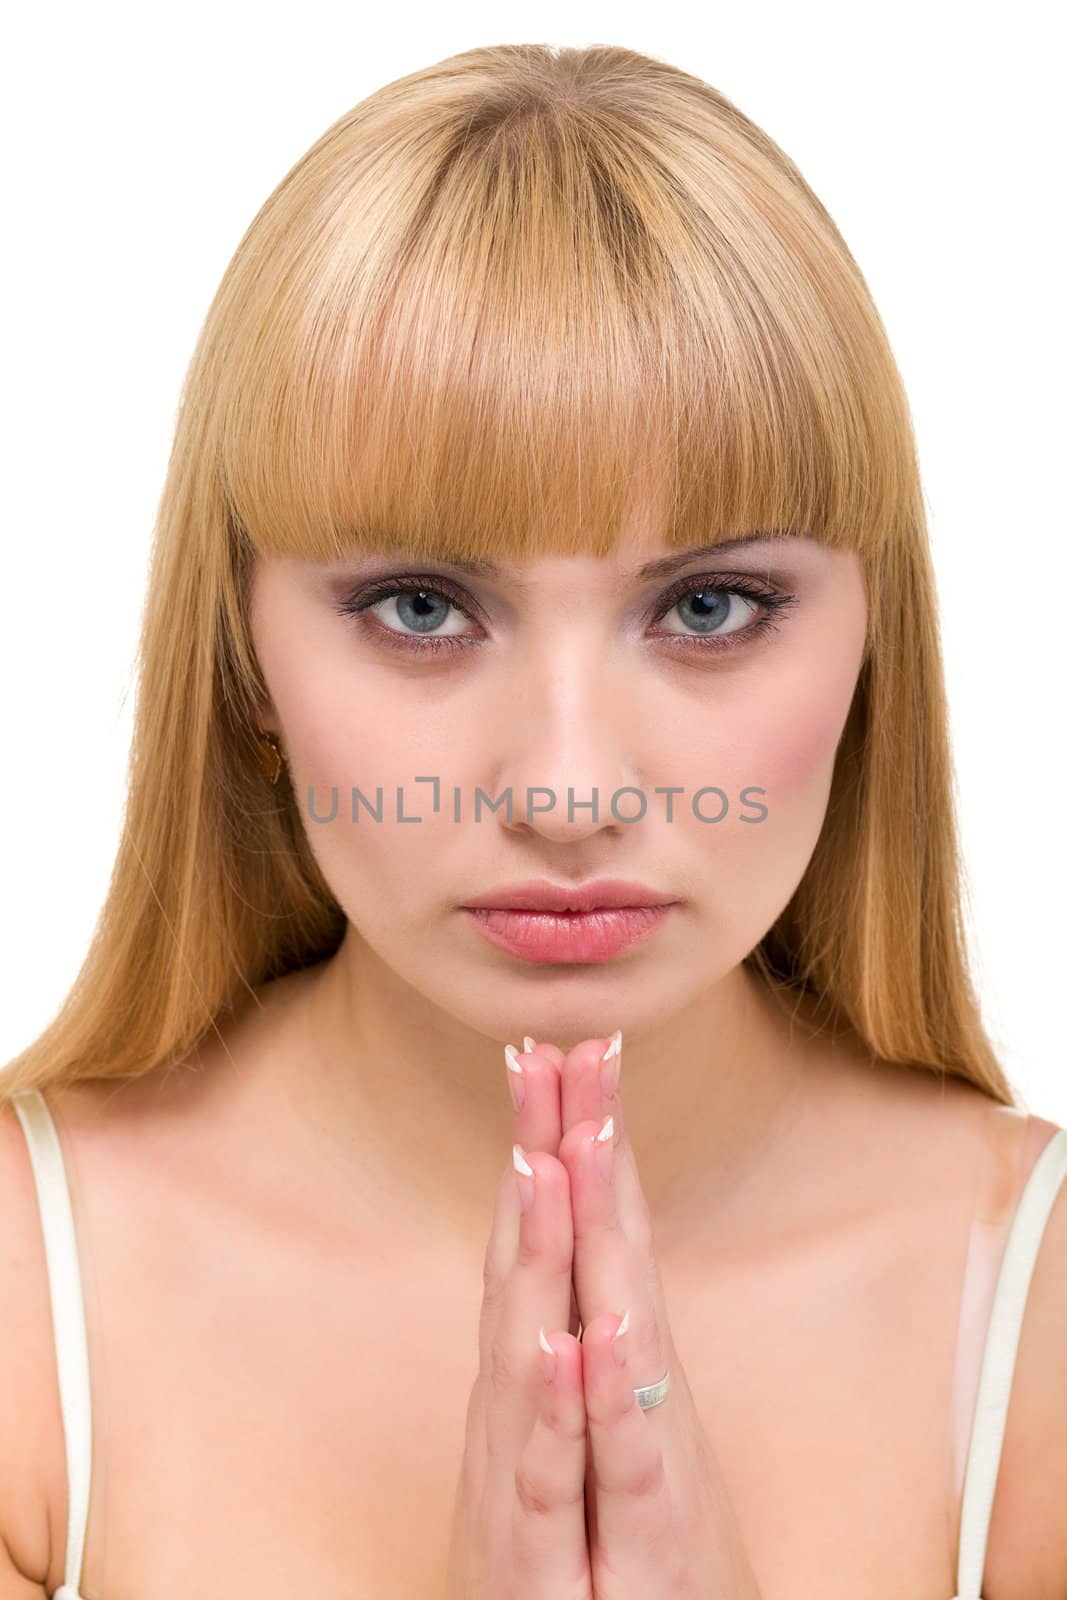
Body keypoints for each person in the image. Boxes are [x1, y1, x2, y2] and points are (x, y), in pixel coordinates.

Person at [1, 40, 1064, 1600]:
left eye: (710, 604)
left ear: (872, 645)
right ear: (241, 654)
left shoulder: (1038, 1328)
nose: (568, 793)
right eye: (421, 606)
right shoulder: (27, 1312)